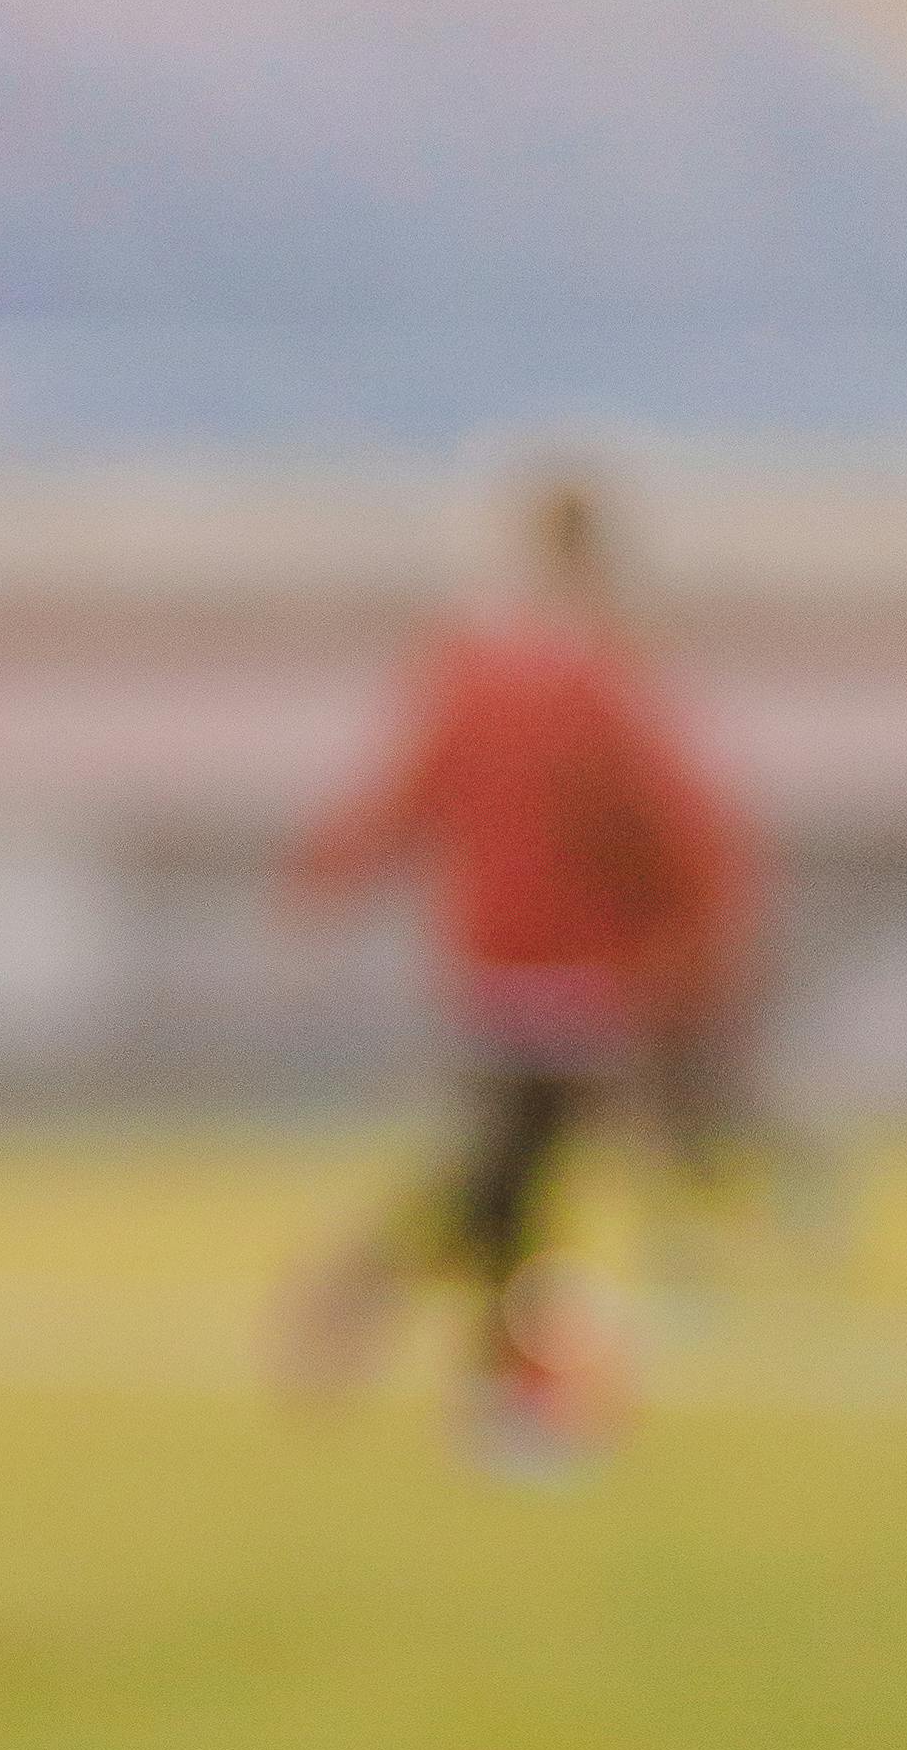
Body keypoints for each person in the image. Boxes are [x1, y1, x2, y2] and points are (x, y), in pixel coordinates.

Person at [275, 470, 766, 1461]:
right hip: (579, 962)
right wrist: (702, 934)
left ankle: (470, 1361)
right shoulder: (595, 672)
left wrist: (328, 878)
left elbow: (407, 789)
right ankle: (483, 1372)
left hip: (487, 954)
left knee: (515, 1169)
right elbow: (674, 821)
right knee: (515, 1175)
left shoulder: (472, 662)